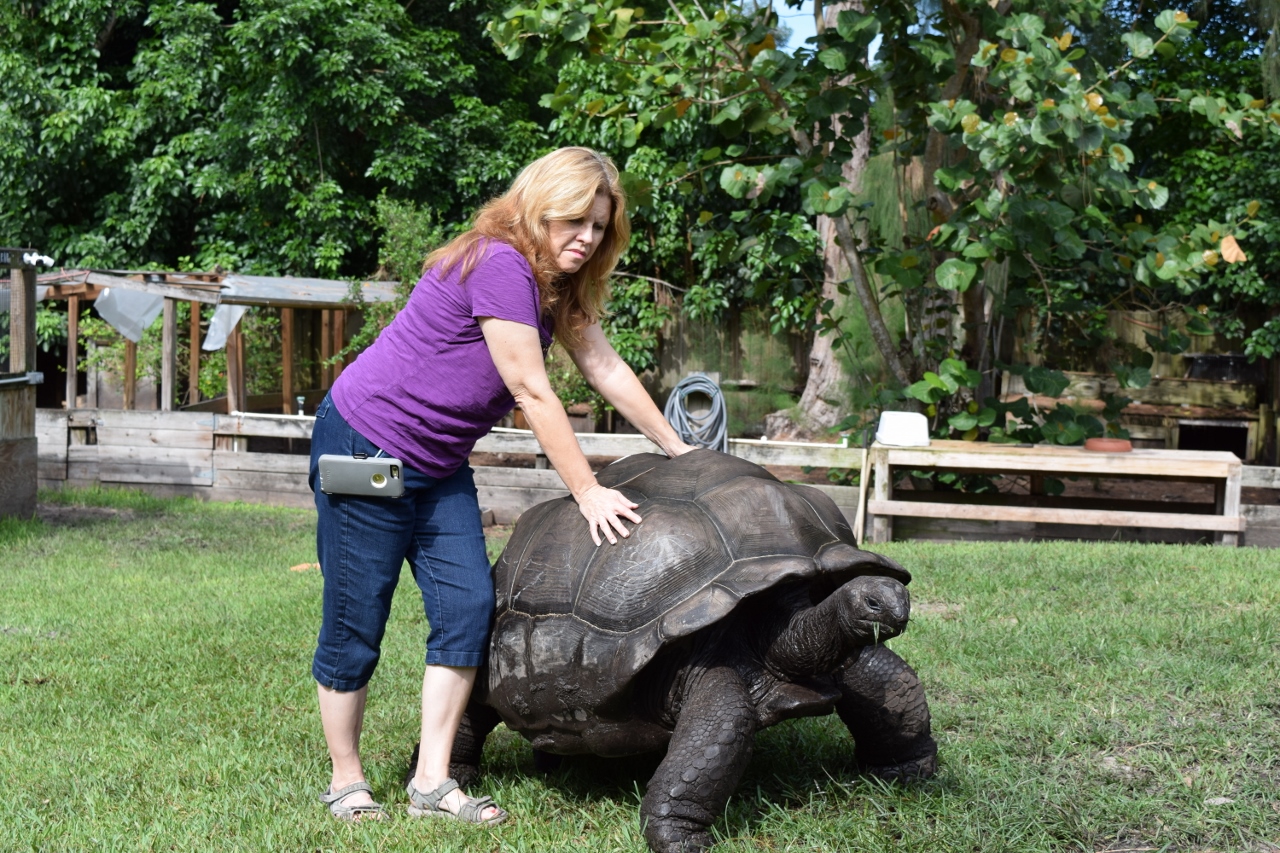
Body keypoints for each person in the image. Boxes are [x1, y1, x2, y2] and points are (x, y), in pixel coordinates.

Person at [308, 147, 696, 823]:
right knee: (356, 619)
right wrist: (587, 489)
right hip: (366, 442)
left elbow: (602, 365)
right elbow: (528, 388)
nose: (587, 238)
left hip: (438, 463)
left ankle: (431, 780)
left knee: (465, 609)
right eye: (575, 220)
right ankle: (346, 778)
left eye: (600, 227)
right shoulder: (499, 263)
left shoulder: (557, 284)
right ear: (538, 207)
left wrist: (677, 447)